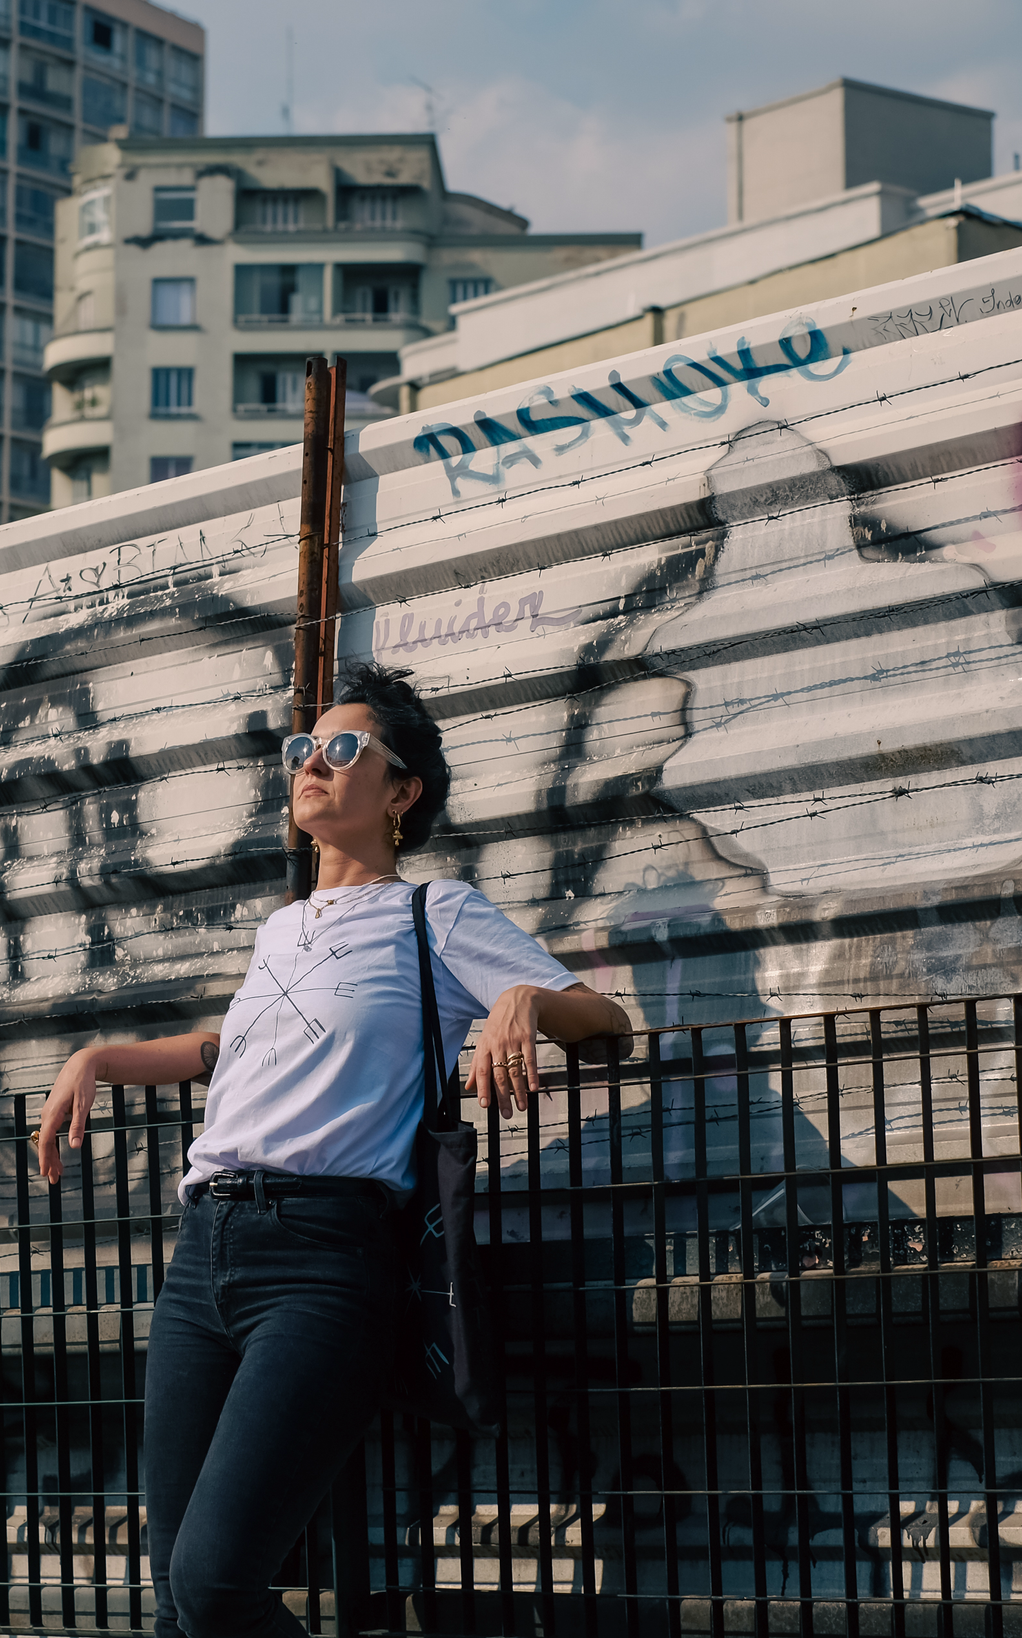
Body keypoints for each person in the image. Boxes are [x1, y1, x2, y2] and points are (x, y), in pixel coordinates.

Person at [34, 662, 633, 1638]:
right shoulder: (281, 929)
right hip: (204, 1257)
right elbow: (228, 1050)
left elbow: (607, 1027)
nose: (312, 760)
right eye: (301, 747)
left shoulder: (433, 914)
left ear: (401, 792)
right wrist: (99, 1055)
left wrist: (524, 994)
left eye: (344, 747)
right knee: (176, 1595)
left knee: (219, 1581)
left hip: (321, 1261)